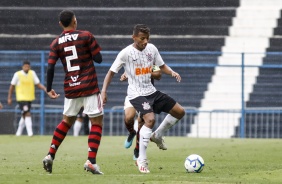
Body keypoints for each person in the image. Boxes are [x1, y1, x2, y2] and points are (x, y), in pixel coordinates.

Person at [101, 24, 185, 173]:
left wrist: (172, 72)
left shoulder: (151, 50)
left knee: (179, 111)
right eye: (142, 38)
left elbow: (161, 67)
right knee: (148, 119)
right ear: (134, 37)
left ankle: (157, 135)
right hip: (136, 94)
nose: (145, 41)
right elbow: (111, 72)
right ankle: (141, 159)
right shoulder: (125, 53)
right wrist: (104, 91)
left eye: (147, 38)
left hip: (151, 91)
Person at [42, 10, 104, 175]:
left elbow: (50, 67)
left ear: (60, 24)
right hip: (89, 86)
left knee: (66, 122)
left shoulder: (56, 43)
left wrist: (48, 88)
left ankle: (50, 154)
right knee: (96, 123)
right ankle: (91, 161)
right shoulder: (86, 35)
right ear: (75, 21)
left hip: (71, 87)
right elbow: (99, 59)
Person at [7, 60, 46, 136]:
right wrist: (9, 97)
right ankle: (30, 133)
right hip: (21, 98)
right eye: (25, 66)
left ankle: (18, 133)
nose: (26, 68)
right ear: (22, 67)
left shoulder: (32, 73)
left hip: (29, 98)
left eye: (28, 66)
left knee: (24, 115)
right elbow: (12, 86)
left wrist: (46, 89)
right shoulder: (17, 74)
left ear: (30, 67)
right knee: (27, 113)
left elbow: (38, 84)